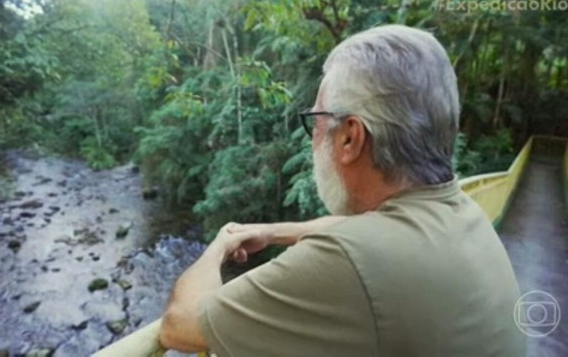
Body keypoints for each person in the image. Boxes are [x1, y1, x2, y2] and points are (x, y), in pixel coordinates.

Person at [159, 25, 525, 356]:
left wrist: (219, 246)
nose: (313, 136)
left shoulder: (351, 260)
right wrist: (270, 233)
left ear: (350, 137)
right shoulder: (461, 210)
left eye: (316, 120)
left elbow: (180, 325)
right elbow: (362, 230)